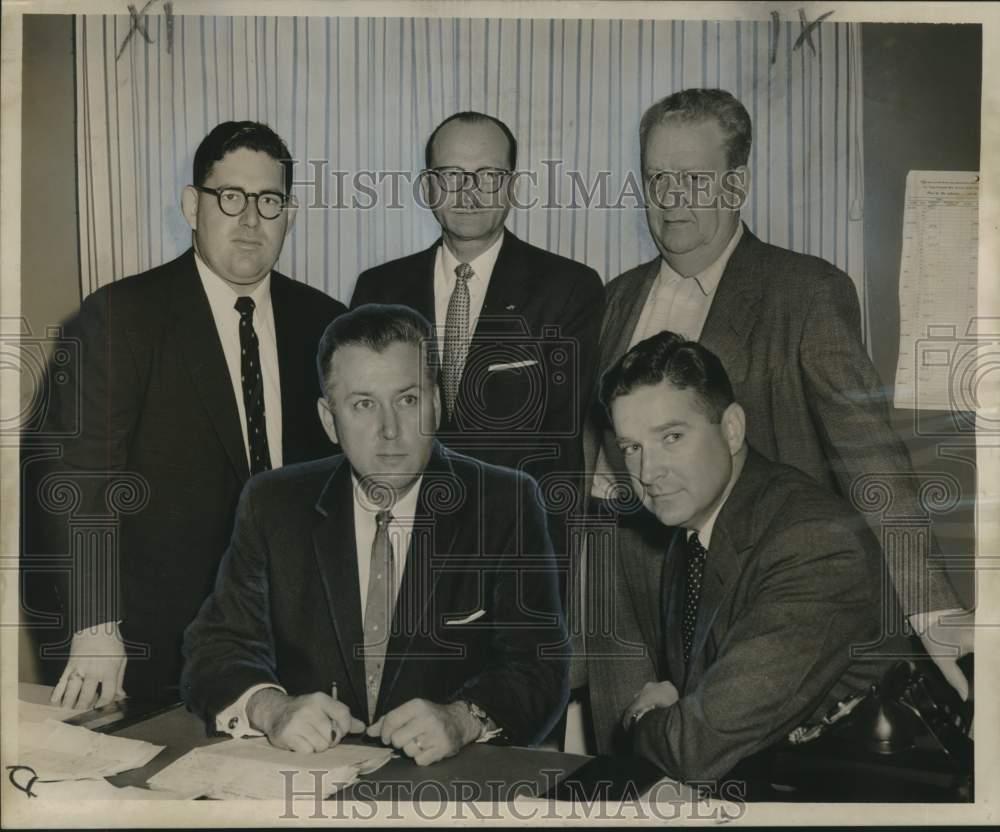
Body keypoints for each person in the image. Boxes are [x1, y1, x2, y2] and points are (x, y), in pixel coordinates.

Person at [582, 88, 971, 699]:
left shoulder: (805, 292)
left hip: (754, 612)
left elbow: (871, 459)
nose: (672, 199)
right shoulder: (614, 298)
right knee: (635, 758)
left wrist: (934, 610)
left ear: (736, 186)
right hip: (627, 621)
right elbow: (592, 458)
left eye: (695, 179)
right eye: (658, 179)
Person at [26, 121, 346, 709]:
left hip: (298, 645)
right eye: (231, 197)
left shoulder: (326, 322)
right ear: (192, 206)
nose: (250, 219)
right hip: (155, 648)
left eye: (269, 201)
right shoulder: (121, 316)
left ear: (290, 215)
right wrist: (94, 625)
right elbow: (77, 477)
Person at [181, 304, 568, 763]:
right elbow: (216, 648)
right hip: (306, 774)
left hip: (445, 781)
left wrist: (464, 719)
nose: (389, 431)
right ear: (329, 420)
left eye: (407, 400)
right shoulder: (273, 504)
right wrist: (272, 709)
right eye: (363, 404)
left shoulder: (504, 503)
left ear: (436, 404)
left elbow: (540, 666)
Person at [588, 331, 895, 779]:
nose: (648, 472)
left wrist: (643, 718)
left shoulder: (815, 543)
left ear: (731, 429)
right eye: (632, 448)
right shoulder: (696, 523)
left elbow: (695, 748)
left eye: (671, 437)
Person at [351, 111, 604, 565]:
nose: (468, 193)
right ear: (428, 186)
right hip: (399, 545)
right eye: (452, 176)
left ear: (512, 187)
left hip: (513, 550)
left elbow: (560, 450)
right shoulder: (378, 290)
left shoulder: (568, 289)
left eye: (488, 176)